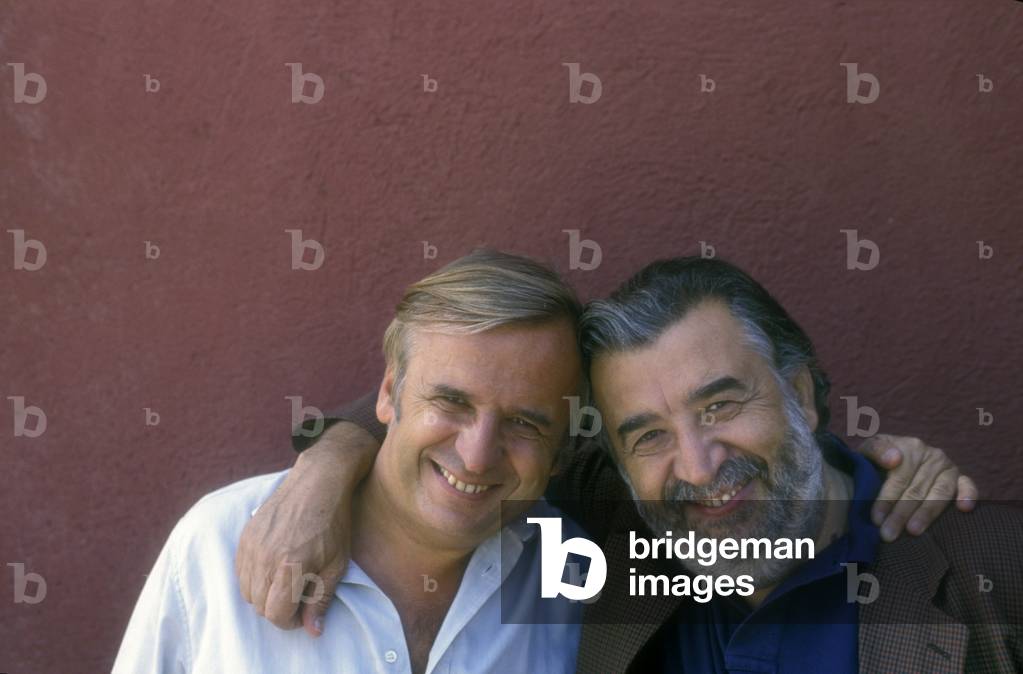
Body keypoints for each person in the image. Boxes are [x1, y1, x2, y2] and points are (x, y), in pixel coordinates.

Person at [234, 251, 988, 671]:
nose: (695, 465)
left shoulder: (978, 571)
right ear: (611, 455)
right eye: (648, 435)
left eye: (720, 406)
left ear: (797, 391)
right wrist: (326, 467)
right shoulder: (610, 530)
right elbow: (464, 429)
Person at [113, 251, 595, 674]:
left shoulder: (579, 580)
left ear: (564, 447)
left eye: (525, 424)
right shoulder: (217, 542)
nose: (476, 456)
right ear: (388, 394)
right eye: (451, 403)